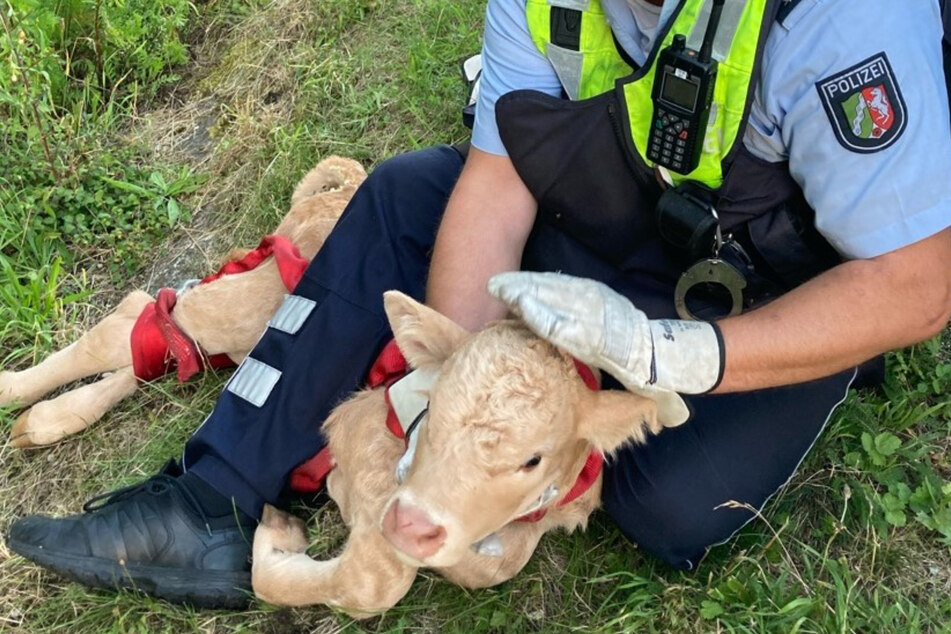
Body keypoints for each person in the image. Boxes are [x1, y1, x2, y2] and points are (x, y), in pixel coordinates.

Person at [7, 0, 951, 610]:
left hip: (756, 291)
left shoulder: (842, 23)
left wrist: (671, 357)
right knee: (408, 191)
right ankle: (209, 500)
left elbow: (915, 285)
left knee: (669, 505)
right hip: (604, 220)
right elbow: (498, 180)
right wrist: (452, 384)